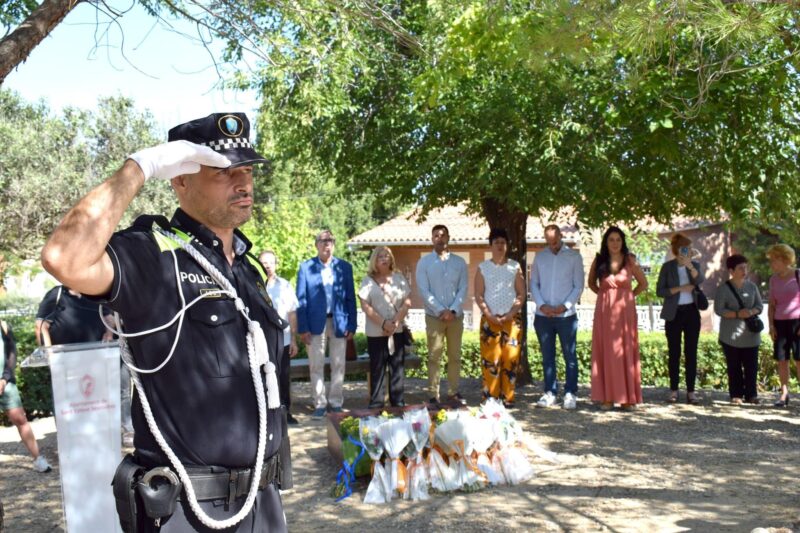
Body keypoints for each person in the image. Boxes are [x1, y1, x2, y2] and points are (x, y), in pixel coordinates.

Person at [41, 112, 288, 532]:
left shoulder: (245, 269)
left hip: (261, 503)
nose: (243, 183)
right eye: (224, 172)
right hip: (189, 511)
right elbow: (64, 257)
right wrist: (140, 167)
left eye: (246, 170)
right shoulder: (154, 256)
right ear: (180, 180)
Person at [34, 286, 132, 445]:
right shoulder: (56, 294)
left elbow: (109, 318)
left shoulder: (94, 292)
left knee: (91, 399)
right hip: (65, 360)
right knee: (66, 399)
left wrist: (107, 336)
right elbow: (40, 326)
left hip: (93, 360)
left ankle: (98, 435)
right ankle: (67, 438)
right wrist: (49, 353)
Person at [296, 230, 357, 417]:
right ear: (316, 245)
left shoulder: (344, 267)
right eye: (322, 241)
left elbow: (350, 299)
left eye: (330, 240)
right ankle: (320, 404)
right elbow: (301, 299)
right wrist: (303, 327)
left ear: (334, 244)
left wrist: (352, 324)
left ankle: (336, 402)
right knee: (316, 365)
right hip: (315, 325)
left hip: (339, 322)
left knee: (339, 364)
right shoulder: (306, 268)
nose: (326, 244)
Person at [588, 227, 648, 410]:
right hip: (605, 312)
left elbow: (643, 283)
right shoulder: (599, 260)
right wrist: (605, 296)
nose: (615, 243)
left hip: (625, 313)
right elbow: (591, 283)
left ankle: (626, 398)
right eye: (611, 240)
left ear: (623, 242)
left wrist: (628, 296)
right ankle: (607, 397)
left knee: (625, 350)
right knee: (606, 350)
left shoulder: (630, 260)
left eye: (618, 240)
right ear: (606, 242)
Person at [531, 224, 584, 410]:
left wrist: (565, 306)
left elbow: (578, 286)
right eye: (549, 242)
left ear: (561, 236)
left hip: (566, 316)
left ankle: (570, 393)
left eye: (555, 241)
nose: (553, 245)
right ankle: (550, 392)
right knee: (547, 356)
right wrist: (542, 305)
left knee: (570, 355)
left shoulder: (574, 257)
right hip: (543, 315)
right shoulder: (540, 257)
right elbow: (534, 284)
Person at [415, 224, 469, 405]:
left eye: (443, 235)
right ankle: (433, 394)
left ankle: (453, 392)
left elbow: (463, 289)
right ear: (432, 239)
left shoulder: (459, 262)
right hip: (434, 317)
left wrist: (452, 310)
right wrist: (440, 310)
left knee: (454, 356)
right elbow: (424, 290)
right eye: (436, 235)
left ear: (448, 237)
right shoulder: (424, 263)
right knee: (434, 356)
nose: (440, 238)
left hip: (455, 317)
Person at [474, 229, 525, 408]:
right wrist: (489, 314)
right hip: (490, 320)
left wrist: (511, 313)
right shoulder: (483, 268)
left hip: (512, 320)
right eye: (496, 242)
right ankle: (490, 398)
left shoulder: (515, 266)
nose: (500, 246)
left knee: (510, 358)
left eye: (503, 242)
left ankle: (507, 398)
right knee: (491, 359)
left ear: (507, 245)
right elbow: (479, 295)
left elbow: (521, 293)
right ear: (491, 245)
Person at [357, 246, 411, 409]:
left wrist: (395, 322)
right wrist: (383, 323)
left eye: (387, 255)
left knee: (397, 368)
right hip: (376, 332)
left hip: (397, 331)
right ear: (374, 259)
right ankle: (377, 403)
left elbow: (407, 302)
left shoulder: (400, 279)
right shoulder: (367, 281)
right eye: (380, 256)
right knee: (377, 368)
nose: (384, 258)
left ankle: (398, 402)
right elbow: (365, 306)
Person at [656, 233, 705, 405]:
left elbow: (700, 279)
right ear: (677, 250)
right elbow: (660, 291)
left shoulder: (695, 265)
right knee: (674, 352)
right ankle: (674, 390)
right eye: (686, 248)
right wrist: (680, 288)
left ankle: (691, 392)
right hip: (673, 313)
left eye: (690, 248)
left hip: (691, 312)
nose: (689, 251)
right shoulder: (667, 267)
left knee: (691, 352)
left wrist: (690, 265)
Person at [0, 320, 52, 473]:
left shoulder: (3, 325)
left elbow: (11, 353)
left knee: (20, 419)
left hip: (5, 382)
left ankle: (37, 459)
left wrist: (5, 378)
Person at [714, 254, 763, 406]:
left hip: (751, 335)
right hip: (731, 335)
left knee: (751, 366)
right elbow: (719, 309)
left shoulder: (752, 287)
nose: (744, 270)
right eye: (740, 268)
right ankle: (736, 394)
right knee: (733, 366)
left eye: (745, 267)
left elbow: (759, 306)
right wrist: (736, 314)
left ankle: (751, 395)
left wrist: (751, 312)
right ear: (731, 270)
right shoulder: (723, 288)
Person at [259, 250, 300, 424]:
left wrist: (294, 340)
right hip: (260, 341)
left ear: (276, 264)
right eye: (264, 262)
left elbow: (292, 314)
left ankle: (285, 412)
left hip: (283, 339)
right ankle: (266, 414)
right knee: (263, 376)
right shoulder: (253, 285)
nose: (267, 266)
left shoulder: (284, 286)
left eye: (271, 262)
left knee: (283, 376)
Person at [766, 244, 800, 407]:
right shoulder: (773, 279)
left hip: (798, 322)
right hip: (780, 323)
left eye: (774, 259)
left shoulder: (798, 275)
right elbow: (772, 305)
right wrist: (771, 326)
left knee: (799, 360)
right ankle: (784, 394)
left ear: (785, 259)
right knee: (782, 360)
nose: (771, 263)